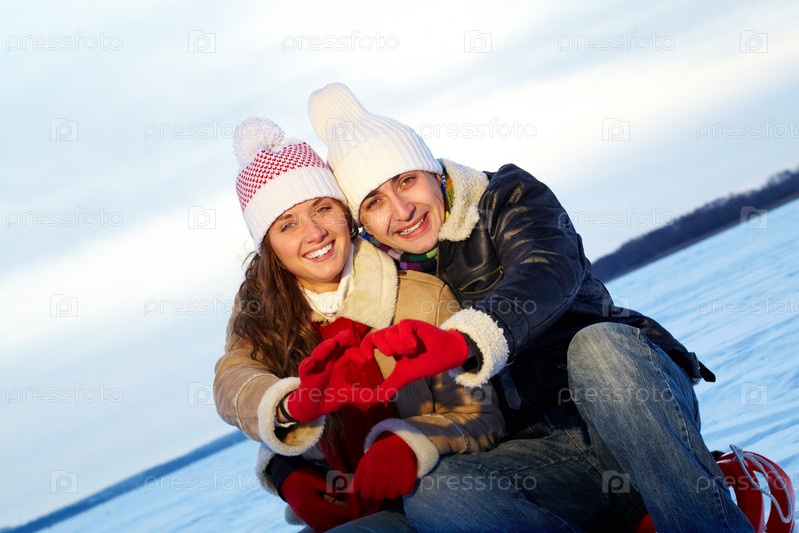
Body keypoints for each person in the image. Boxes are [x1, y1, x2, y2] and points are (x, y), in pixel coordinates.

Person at [307, 83, 754, 532]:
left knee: (599, 348)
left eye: (407, 181)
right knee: (435, 494)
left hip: (627, 412)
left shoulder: (506, 196)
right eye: (374, 202)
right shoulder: (387, 286)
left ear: (435, 173)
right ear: (363, 223)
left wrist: (462, 341)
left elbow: (546, 268)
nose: (402, 210)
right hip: (540, 457)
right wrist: (288, 462)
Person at [213, 117, 504, 532]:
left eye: (323, 209)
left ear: (346, 215)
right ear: (270, 247)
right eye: (287, 224)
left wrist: (411, 442)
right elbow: (232, 381)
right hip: (345, 505)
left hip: (432, 495)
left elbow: (482, 417)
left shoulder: (420, 296)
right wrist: (289, 444)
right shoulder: (263, 316)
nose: (314, 233)